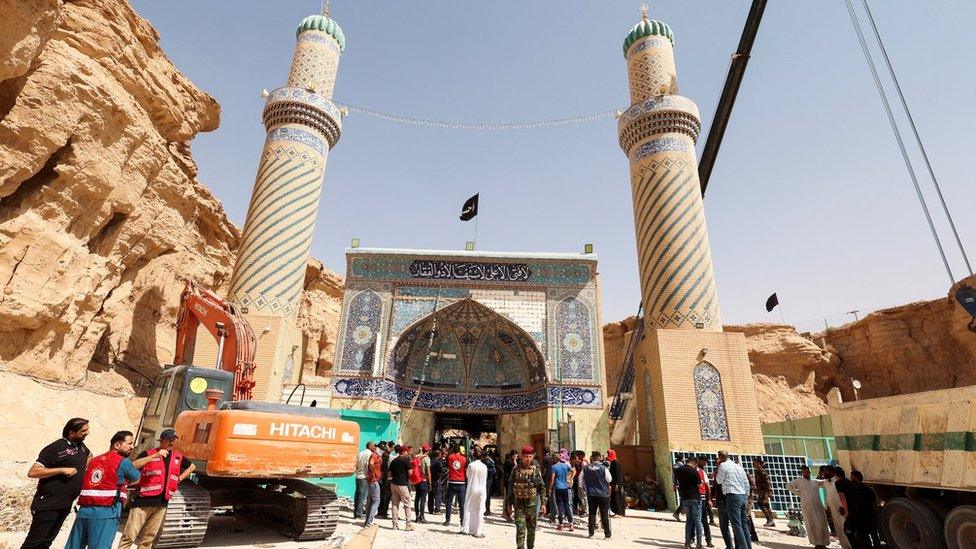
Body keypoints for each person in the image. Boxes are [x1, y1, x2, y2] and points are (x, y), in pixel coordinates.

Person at [65, 431, 149, 549]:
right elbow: (137, 478)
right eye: (129, 443)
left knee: (74, 546)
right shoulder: (123, 462)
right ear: (117, 445)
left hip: (84, 511)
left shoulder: (94, 460)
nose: (132, 447)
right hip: (107, 512)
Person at [119, 428, 195, 549]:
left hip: (162, 504)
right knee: (129, 535)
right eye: (169, 440)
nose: (172, 443)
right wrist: (155, 455)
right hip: (142, 502)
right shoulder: (148, 454)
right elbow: (132, 466)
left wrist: (178, 479)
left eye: (173, 440)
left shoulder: (177, 457)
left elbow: (192, 467)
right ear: (161, 440)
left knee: (149, 538)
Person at [22, 418, 91, 549]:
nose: (88, 432)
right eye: (84, 431)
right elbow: (33, 472)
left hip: (65, 504)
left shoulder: (81, 447)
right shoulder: (56, 447)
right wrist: (61, 469)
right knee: (33, 543)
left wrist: (82, 470)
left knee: (47, 541)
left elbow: (89, 456)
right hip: (48, 504)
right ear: (72, 432)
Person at [506, 445, 547, 549]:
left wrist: (543, 503)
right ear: (521, 456)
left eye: (530, 457)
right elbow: (510, 488)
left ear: (532, 457)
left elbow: (542, 487)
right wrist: (509, 505)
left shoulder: (536, 470)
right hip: (519, 505)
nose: (528, 459)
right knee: (520, 529)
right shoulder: (516, 470)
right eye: (525, 457)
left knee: (531, 530)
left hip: (532, 505)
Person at [715, 451, 751, 549]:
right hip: (743, 495)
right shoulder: (738, 466)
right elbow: (746, 482)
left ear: (721, 457)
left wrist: (718, 470)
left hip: (733, 496)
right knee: (743, 524)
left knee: (736, 525)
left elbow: (719, 480)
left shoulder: (723, 466)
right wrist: (746, 496)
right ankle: (748, 546)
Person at [788, 466, 829, 549]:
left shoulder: (815, 482)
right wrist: (798, 493)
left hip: (817, 506)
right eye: (804, 472)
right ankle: (816, 543)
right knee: (811, 523)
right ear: (802, 473)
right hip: (807, 506)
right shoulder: (799, 481)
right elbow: (789, 485)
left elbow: (826, 482)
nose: (806, 473)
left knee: (821, 523)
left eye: (807, 471)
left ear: (810, 472)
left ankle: (823, 542)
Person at [834, 467, 869, 549]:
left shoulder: (839, 483)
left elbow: (843, 498)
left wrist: (846, 513)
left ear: (835, 475)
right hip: (860, 510)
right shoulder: (849, 482)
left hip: (853, 511)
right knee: (860, 532)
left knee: (848, 529)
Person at [675, 457, 704, 549]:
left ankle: (687, 543)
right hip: (695, 497)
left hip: (685, 498)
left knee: (689, 520)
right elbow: (700, 485)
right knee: (698, 520)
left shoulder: (678, 470)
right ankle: (699, 543)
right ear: (694, 463)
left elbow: (676, 482)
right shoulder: (694, 472)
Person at [583, 450, 612, 539]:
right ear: (599, 458)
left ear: (592, 458)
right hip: (603, 494)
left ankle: (591, 533)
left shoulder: (586, 468)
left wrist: (585, 489)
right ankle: (607, 535)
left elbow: (581, 481)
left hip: (591, 494)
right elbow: (609, 480)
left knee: (592, 514)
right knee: (604, 514)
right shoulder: (604, 468)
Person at [461, 448, 488, 537]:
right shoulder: (484, 466)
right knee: (480, 510)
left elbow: (467, 476)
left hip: (472, 488)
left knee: (468, 508)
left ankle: (466, 529)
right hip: (482, 489)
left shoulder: (471, 465)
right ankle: (478, 531)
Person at [822, 466, 851, 549]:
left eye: (826, 471)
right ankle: (845, 546)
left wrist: (843, 507)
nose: (824, 473)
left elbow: (843, 496)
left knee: (844, 527)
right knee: (838, 529)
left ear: (832, 472)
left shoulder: (838, 481)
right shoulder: (825, 482)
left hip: (841, 508)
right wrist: (827, 506)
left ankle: (850, 545)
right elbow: (828, 494)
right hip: (833, 509)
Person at [387, 444, 414, 531]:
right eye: (407, 451)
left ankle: (394, 525)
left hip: (394, 484)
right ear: (404, 452)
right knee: (407, 504)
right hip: (402, 484)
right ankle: (408, 524)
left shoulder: (394, 461)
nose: (408, 453)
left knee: (395, 504)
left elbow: (390, 474)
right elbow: (410, 473)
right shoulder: (406, 460)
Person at [850, 470, 879, 548]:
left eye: (851, 476)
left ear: (855, 478)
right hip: (870, 514)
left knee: (864, 535)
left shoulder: (854, 490)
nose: (850, 478)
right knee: (874, 534)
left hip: (862, 516)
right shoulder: (869, 489)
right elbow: (874, 504)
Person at [550, 449, 575, 531]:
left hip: (558, 487)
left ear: (554, 459)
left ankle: (561, 524)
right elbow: (573, 471)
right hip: (565, 487)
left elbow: (552, 479)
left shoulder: (554, 467)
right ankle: (571, 523)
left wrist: (550, 488)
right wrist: (570, 479)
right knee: (566, 505)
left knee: (559, 506)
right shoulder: (565, 465)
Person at [444, 443, 467, 527]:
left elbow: (447, 456)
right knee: (462, 503)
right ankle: (462, 521)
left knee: (449, 502)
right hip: (461, 482)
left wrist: (451, 450)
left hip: (452, 482)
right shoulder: (464, 459)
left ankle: (447, 520)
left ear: (453, 450)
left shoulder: (450, 457)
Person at [711, 472, 734, 549]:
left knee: (725, 526)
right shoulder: (731, 474)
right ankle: (731, 546)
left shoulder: (719, 474)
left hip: (724, 501)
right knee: (733, 526)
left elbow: (715, 487)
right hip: (729, 501)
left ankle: (730, 546)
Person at [751, 459, 776, 527]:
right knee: (765, 504)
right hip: (760, 490)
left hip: (764, 490)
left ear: (759, 463)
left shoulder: (762, 471)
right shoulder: (757, 471)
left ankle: (770, 519)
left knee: (762, 503)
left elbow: (767, 481)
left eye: (755, 463)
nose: (753, 464)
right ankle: (770, 520)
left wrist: (769, 491)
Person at [363, 442, 382, 527]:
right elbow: (371, 464)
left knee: (370, 501)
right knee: (376, 501)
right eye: (375, 446)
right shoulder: (374, 456)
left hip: (370, 480)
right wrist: (374, 474)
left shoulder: (376, 456)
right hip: (373, 480)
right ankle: (369, 521)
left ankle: (367, 521)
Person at [412, 444, 432, 524]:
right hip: (423, 480)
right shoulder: (426, 459)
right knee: (423, 499)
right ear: (428, 450)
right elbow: (428, 471)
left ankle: (417, 516)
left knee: (417, 498)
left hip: (417, 480)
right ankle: (422, 517)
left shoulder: (417, 457)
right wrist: (430, 483)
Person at [353, 442, 372, 519]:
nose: (375, 448)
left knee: (358, 495)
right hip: (364, 476)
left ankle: (356, 513)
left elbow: (356, 464)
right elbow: (368, 465)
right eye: (374, 446)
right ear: (370, 446)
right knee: (362, 496)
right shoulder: (370, 454)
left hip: (358, 476)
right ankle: (358, 514)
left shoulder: (360, 453)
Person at [606, 449, 625, 517]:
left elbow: (617, 474)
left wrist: (616, 484)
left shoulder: (615, 462)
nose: (608, 455)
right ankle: (617, 512)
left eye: (609, 454)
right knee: (615, 497)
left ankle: (618, 513)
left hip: (616, 483)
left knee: (616, 497)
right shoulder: (613, 462)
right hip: (615, 483)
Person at [571, 450, 589, 518]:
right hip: (580, 481)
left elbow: (584, 473)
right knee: (580, 496)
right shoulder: (581, 462)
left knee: (583, 496)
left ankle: (585, 511)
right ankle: (583, 509)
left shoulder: (583, 463)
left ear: (581, 456)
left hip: (582, 481)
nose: (577, 457)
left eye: (578, 455)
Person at [428, 448, 445, 515]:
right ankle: (437, 509)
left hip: (431, 479)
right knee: (438, 495)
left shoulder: (430, 461)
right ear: (439, 455)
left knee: (430, 495)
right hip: (437, 479)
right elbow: (441, 469)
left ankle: (430, 509)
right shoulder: (438, 462)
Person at [377, 441, 391, 518]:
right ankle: (382, 512)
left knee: (382, 495)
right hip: (384, 478)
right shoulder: (384, 457)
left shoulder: (383, 456)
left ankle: (381, 511)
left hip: (383, 478)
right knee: (384, 496)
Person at [502, 450, 517, 522]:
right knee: (509, 499)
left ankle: (510, 514)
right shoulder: (509, 463)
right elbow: (516, 469)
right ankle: (507, 515)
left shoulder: (512, 462)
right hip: (508, 483)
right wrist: (514, 461)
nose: (517, 457)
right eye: (516, 455)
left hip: (512, 484)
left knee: (512, 499)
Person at [483, 449, 496, 516]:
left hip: (488, 481)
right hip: (482, 480)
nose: (486, 457)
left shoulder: (490, 462)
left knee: (487, 496)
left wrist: (485, 470)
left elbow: (494, 471)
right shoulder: (482, 461)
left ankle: (487, 510)